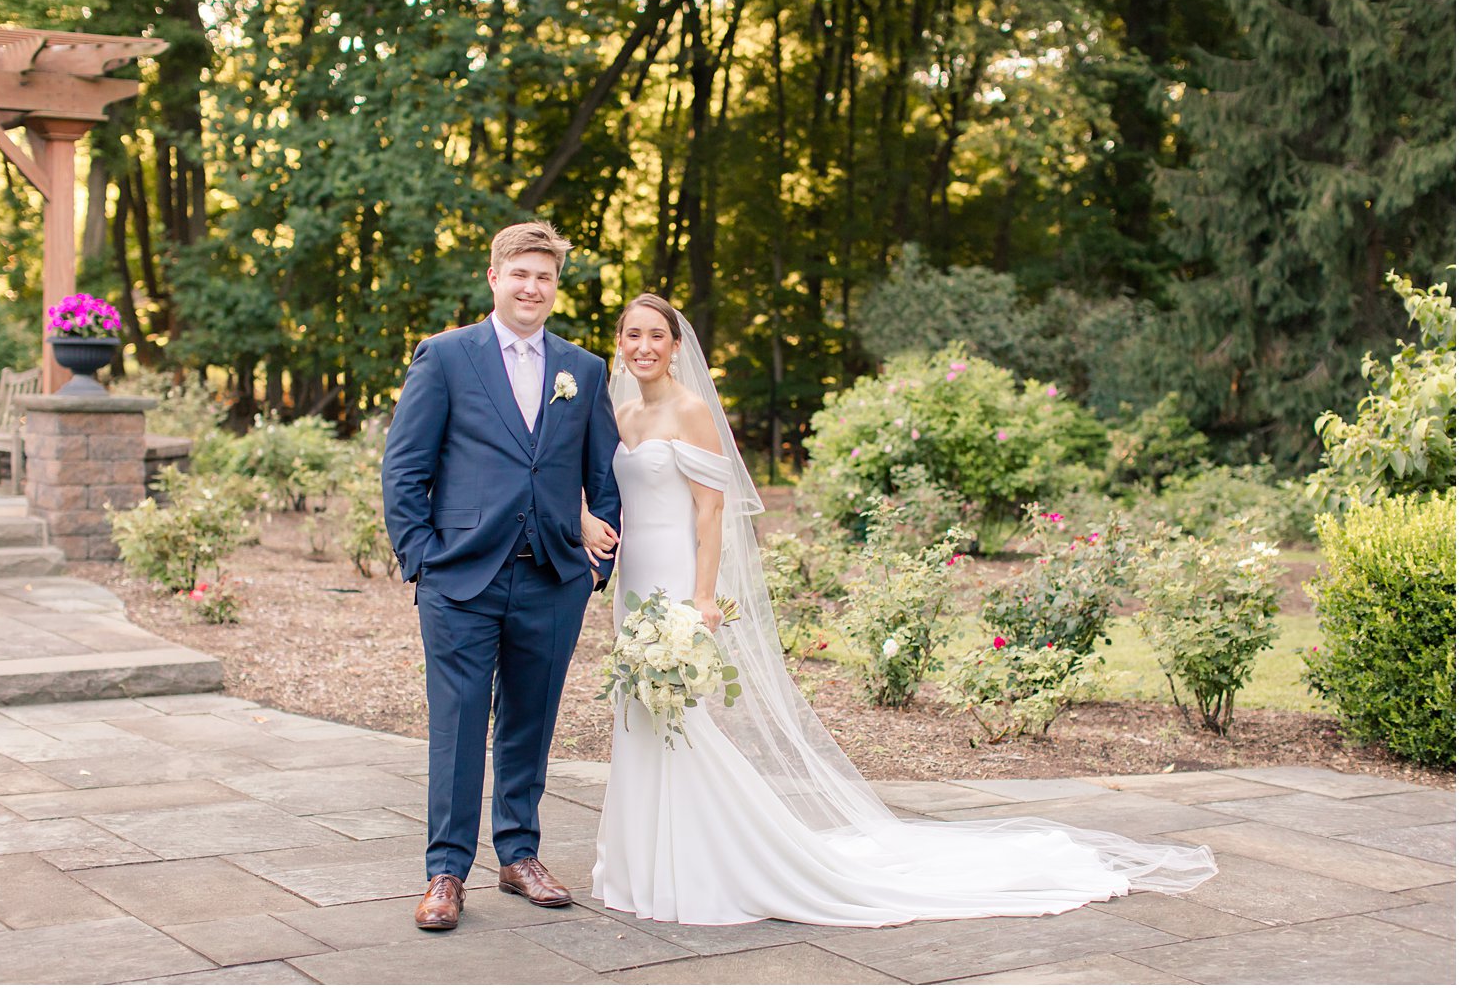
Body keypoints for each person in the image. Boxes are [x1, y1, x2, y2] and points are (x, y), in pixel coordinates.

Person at [581, 293, 1217, 927]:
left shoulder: (692, 412)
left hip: (677, 580)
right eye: (632, 334)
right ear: (620, 341)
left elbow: (710, 511)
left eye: (656, 336)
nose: (643, 347)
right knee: (638, 715)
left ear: (676, 346)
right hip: (636, 580)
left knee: (678, 719)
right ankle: (643, 863)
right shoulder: (622, 411)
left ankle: (709, 863)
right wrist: (589, 522)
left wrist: (702, 597)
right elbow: (608, 490)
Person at [382, 221, 622, 931]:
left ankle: (519, 855)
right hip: (461, 577)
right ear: (495, 277)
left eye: (545, 276)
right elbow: (405, 469)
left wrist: (594, 562)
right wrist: (423, 557)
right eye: (521, 273)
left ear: (555, 287)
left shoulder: (583, 368)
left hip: (552, 577)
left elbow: (602, 476)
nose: (532, 287)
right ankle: (446, 870)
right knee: (456, 725)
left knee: (529, 721)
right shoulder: (448, 356)